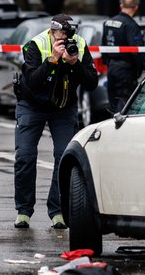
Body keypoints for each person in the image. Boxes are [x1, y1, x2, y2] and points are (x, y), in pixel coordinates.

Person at [13, 13, 98, 229]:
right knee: (25, 155)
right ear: (52, 32)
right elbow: (32, 81)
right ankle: (24, 210)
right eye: (62, 34)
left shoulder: (78, 45)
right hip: (32, 105)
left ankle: (58, 210)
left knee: (64, 156)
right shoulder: (36, 45)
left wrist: (74, 63)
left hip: (63, 107)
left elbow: (92, 82)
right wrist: (52, 59)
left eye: (70, 34)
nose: (66, 39)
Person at [101, 0, 145, 112]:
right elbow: (136, 51)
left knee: (113, 104)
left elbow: (103, 46)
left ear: (121, 6)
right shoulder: (131, 25)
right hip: (126, 71)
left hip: (112, 68)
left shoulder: (108, 22)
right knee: (125, 105)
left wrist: (109, 64)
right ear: (136, 8)